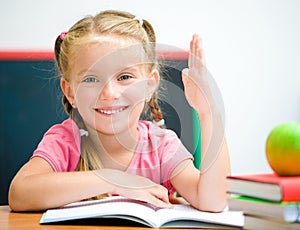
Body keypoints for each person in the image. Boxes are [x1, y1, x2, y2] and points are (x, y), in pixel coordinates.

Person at [8, 9, 230, 212]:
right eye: (91, 79)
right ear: (70, 92)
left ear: (150, 84)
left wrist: (208, 112)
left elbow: (214, 201)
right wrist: (113, 180)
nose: (109, 93)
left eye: (125, 77)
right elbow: (20, 194)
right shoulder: (65, 141)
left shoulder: (162, 146)